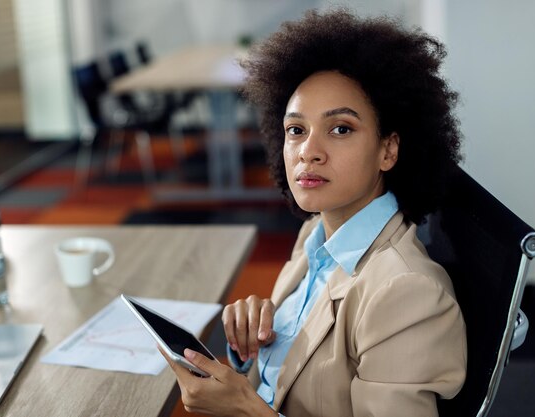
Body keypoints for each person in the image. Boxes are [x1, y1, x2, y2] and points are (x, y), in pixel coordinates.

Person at [159, 8, 467, 417]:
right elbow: (283, 378)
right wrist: (248, 350)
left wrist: (244, 409)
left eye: (341, 128)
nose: (308, 151)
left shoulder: (406, 293)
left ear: (388, 149)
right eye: (296, 130)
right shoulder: (315, 235)